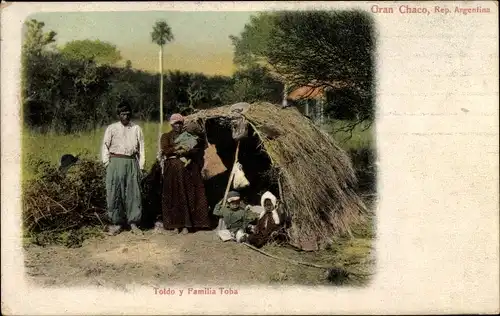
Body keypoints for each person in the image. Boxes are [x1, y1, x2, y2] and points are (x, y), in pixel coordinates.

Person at [158, 113, 210, 234]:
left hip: (187, 171)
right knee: (174, 196)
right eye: (175, 123)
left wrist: (183, 151)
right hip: (172, 171)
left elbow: (195, 149)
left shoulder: (190, 136)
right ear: (171, 124)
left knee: (187, 195)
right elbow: (165, 150)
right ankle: (175, 225)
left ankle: (187, 225)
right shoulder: (166, 136)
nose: (178, 125)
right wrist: (180, 148)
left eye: (180, 123)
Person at [101, 101, 145, 236]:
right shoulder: (112, 128)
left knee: (133, 193)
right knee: (115, 192)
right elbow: (105, 146)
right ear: (118, 115)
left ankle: (134, 223)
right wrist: (107, 163)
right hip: (115, 162)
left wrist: (141, 166)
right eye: (122, 114)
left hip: (131, 162)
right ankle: (117, 223)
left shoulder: (136, 129)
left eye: (127, 113)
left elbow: (142, 148)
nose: (125, 116)